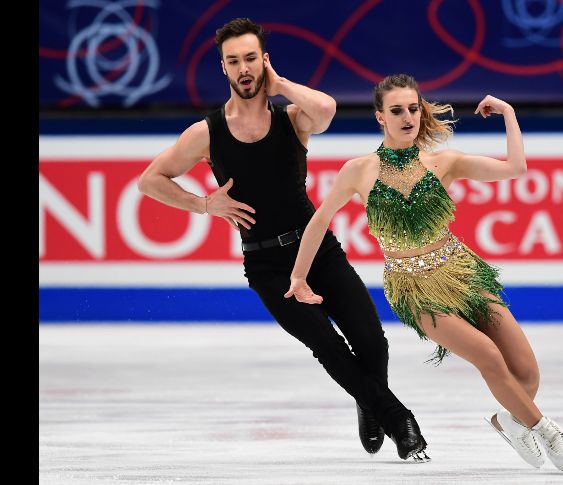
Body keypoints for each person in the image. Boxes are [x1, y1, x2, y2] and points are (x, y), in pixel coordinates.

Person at [137, 20, 429, 462]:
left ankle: (368, 402)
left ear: (264, 62)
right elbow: (149, 180)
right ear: (224, 68)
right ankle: (397, 418)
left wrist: (282, 84)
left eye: (251, 58)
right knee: (328, 345)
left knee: (372, 342)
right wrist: (203, 205)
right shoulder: (207, 133)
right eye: (234, 61)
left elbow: (328, 111)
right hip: (267, 266)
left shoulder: (292, 118)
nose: (244, 69)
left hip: (318, 251)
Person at [285, 74, 563, 473]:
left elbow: (515, 168)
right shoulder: (358, 170)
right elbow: (319, 222)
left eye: (413, 108)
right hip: (413, 288)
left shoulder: (445, 162)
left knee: (526, 372)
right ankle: (547, 431)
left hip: (461, 272)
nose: (407, 117)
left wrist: (509, 112)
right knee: (490, 358)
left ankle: (509, 422)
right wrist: (300, 276)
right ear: (380, 117)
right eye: (396, 111)